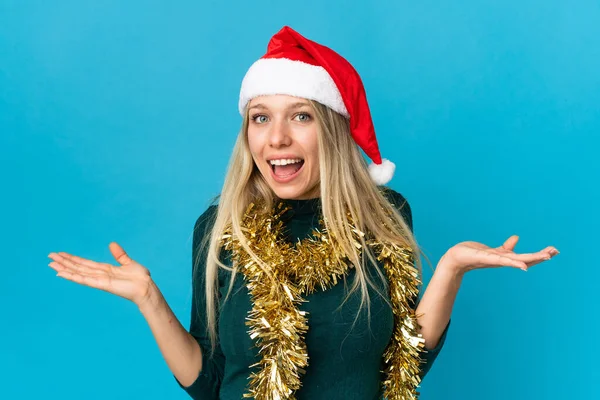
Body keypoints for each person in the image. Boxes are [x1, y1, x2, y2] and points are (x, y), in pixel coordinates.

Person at [47, 26, 559, 400]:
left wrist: (449, 271)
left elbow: (404, 365)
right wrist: (149, 300)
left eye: (301, 116)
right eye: (260, 118)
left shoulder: (386, 216)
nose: (277, 138)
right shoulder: (221, 228)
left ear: (332, 129)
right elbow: (208, 382)